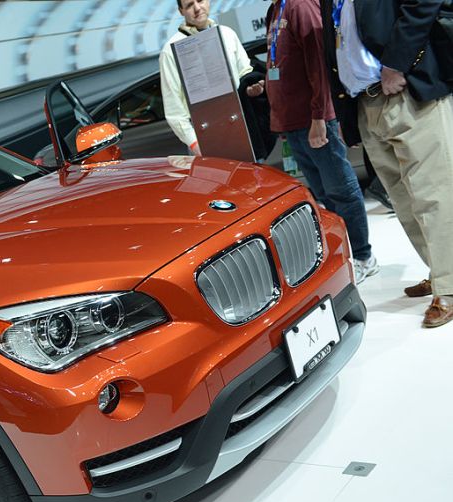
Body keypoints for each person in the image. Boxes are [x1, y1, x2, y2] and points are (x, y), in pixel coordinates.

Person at [320, 0, 453, 327]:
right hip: (367, 101)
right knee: (404, 200)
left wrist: (396, 64)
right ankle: (440, 273)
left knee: (433, 192)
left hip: (407, 91)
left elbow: (425, 4)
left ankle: (449, 286)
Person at [265, 0, 377, 284]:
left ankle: (363, 256)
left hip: (313, 119)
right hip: (294, 122)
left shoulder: (300, 6)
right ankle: (344, 255)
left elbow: (319, 65)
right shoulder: (275, 9)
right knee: (323, 196)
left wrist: (320, 116)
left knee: (341, 190)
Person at [160, 0, 274, 159]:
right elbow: (174, 111)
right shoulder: (170, 50)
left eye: (200, 1)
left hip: (244, 130)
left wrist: (251, 90)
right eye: (189, 5)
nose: (197, 8)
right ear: (181, 11)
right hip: (204, 139)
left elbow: (244, 74)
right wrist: (195, 144)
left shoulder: (226, 33)